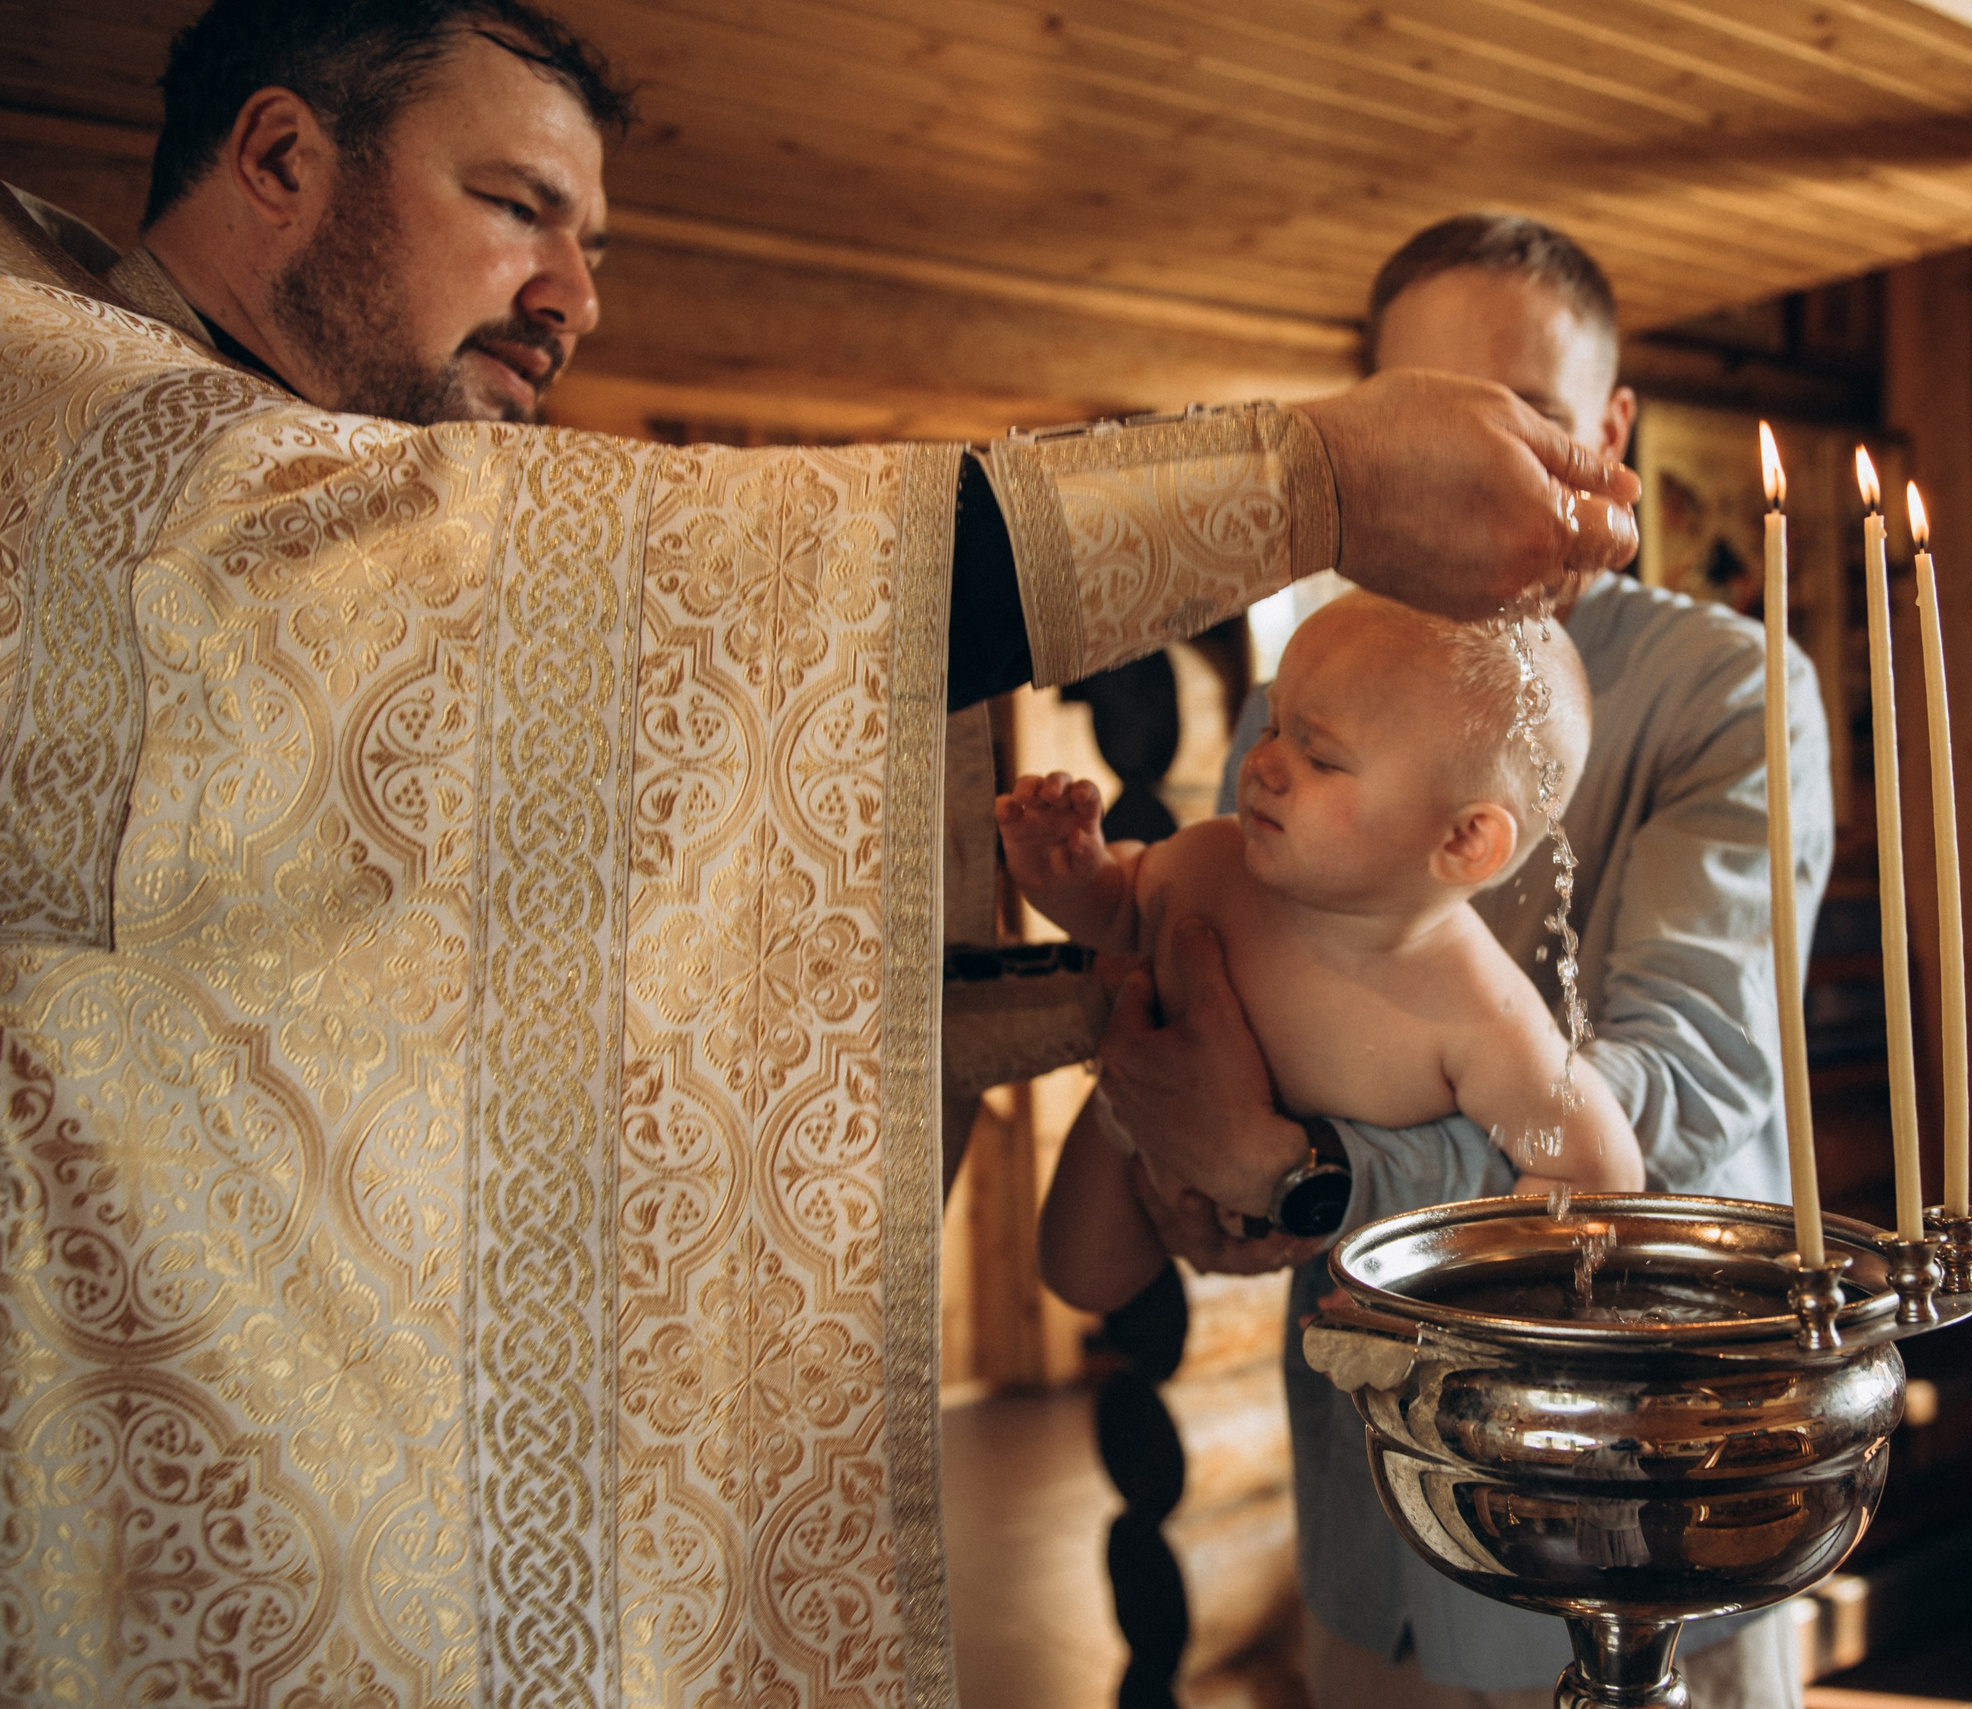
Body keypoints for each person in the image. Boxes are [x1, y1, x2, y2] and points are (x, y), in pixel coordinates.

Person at [0, 5, 1644, 1701]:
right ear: (279, 157)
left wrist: (1184, 1077)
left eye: (596, 239)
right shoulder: (56, 401)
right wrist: (1308, 477)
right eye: (518, 204)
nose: (578, 293)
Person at [1090, 215, 1834, 1709]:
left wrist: (1312, 1172)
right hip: (1370, 1496)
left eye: (1540, 427)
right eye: (1437, 429)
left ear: (1615, 434)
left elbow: (1677, 1090)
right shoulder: (1298, 703)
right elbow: (1227, 1006)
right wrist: (1193, 1157)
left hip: (1640, 1499)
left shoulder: (1726, 694)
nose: (1490, 483)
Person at [1004, 593, 1644, 1312]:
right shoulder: (1216, 859)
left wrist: (1428, 1286)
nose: (1266, 762)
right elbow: (1121, 908)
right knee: (1076, 1276)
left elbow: (1595, 1169)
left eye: (1319, 755)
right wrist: (1070, 872)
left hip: (1331, 1249)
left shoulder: (1473, 1008)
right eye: (1275, 724)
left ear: (1464, 841)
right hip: (1140, 1108)